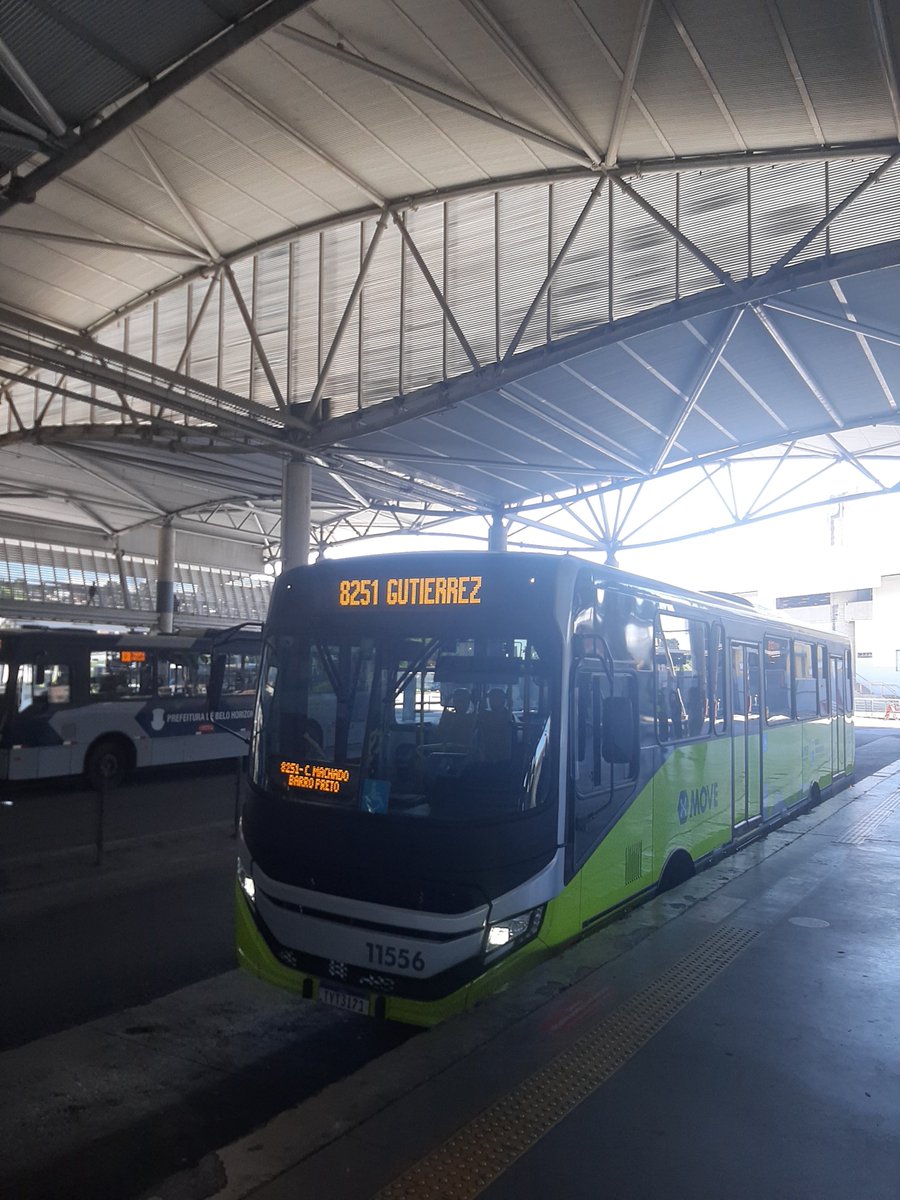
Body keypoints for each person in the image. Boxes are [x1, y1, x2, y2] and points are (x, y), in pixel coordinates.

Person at [476, 687, 514, 763]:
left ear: (503, 700)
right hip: (485, 754)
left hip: (503, 756)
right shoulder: (485, 715)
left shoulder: (509, 716)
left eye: (497, 698)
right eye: (491, 698)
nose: (493, 701)